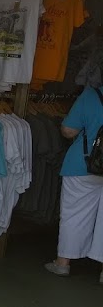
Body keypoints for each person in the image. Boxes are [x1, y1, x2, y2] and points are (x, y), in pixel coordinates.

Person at [45, 85, 103, 281]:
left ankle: (63, 264)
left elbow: (68, 131)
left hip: (83, 164)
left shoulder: (90, 95)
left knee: (74, 214)